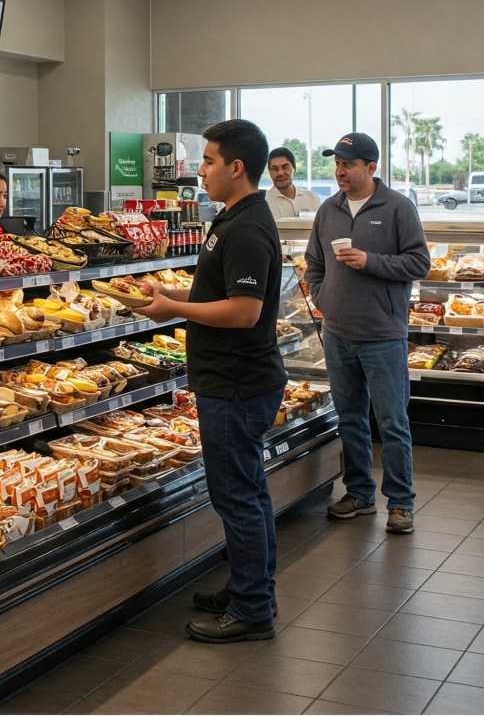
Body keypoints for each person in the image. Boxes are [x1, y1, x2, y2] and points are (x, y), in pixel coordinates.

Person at [133, 119, 285, 643]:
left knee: (236, 496)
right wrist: (171, 292)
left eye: (208, 160)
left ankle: (252, 609)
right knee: (249, 491)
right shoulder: (232, 217)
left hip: (236, 382)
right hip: (235, 379)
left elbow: (244, 311)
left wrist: (174, 309)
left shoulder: (246, 228)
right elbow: (217, 289)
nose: (199, 170)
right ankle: (251, 588)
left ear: (236, 167)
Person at [304, 133, 430, 535]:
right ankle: (359, 494)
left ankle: (401, 503)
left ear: (371, 167)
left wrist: (369, 261)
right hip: (337, 332)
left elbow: (419, 263)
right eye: (336, 163)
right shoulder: (329, 209)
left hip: (383, 334)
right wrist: (324, 298)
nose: (339, 171)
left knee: (392, 422)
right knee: (350, 418)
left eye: (348, 163)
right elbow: (313, 263)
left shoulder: (398, 207)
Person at [265, 147, 321, 218]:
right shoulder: (264, 203)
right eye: (274, 169)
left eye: (285, 167)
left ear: (294, 169)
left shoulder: (312, 198)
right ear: (269, 172)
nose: (280, 173)